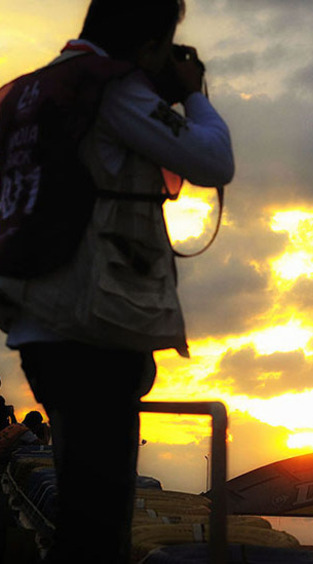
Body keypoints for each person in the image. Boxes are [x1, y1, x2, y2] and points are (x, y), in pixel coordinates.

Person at [0, 1, 234, 562]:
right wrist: (193, 94)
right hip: (95, 323)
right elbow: (212, 160)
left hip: (36, 318)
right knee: (99, 529)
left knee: (84, 514)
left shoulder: (27, 93)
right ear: (148, 46)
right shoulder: (113, 90)